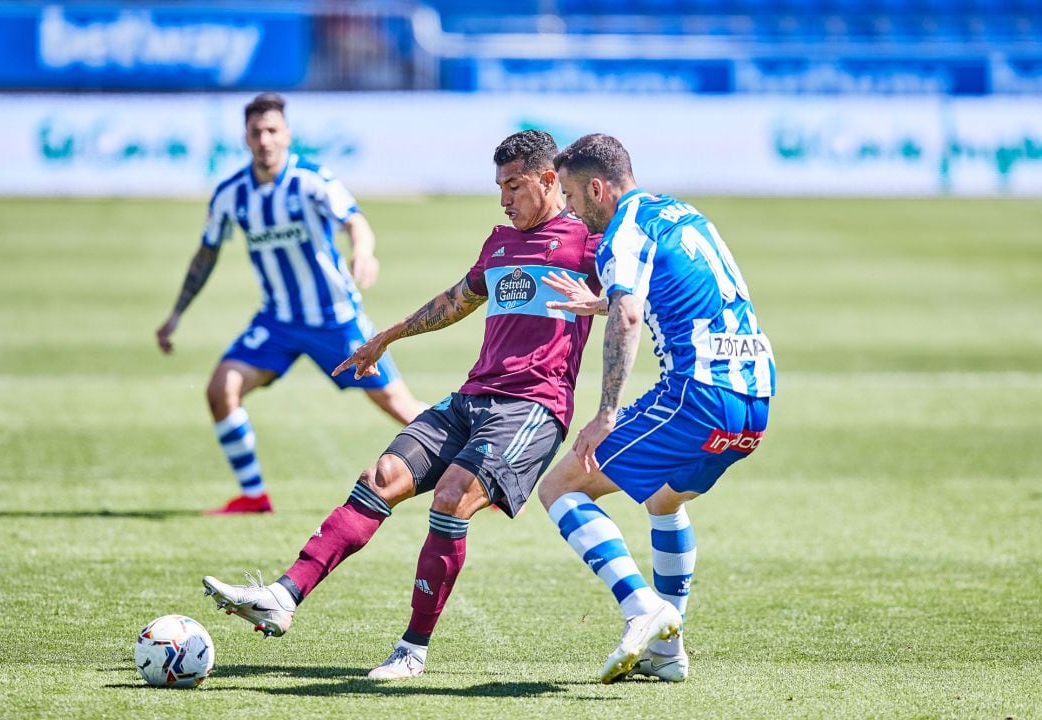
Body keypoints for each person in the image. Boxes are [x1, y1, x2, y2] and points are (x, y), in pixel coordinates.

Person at [200, 129, 602, 678]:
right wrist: (388, 336)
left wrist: (600, 305)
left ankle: (412, 650)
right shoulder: (500, 243)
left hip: (533, 407)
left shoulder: (588, 242)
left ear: (550, 179)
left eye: (514, 186)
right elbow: (458, 301)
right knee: (382, 475)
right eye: (499, 187)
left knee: (452, 498)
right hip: (473, 396)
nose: (504, 199)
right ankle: (283, 595)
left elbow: (635, 296)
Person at [538, 134, 775, 684]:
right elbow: (686, 290)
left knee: (562, 488)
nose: (571, 209)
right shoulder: (680, 212)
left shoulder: (620, 231)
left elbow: (627, 319)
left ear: (598, 187)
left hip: (698, 394)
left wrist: (606, 413)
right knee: (663, 502)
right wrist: (605, 300)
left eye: (572, 196)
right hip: (756, 395)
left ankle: (643, 607)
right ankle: (667, 654)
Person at [155, 92, 423, 515]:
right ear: (245, 138)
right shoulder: (232, 194)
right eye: (256, 132)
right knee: (221, 389)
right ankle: (254, 497)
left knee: (402, 407)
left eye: (272, 131)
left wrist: (363, 252)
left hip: (337, 320)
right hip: (278, 321)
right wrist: (176, 314)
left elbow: (355, 220)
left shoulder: (312, 180)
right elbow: (206, 254)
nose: (265, 139)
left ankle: (479, 470)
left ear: (287, 135)